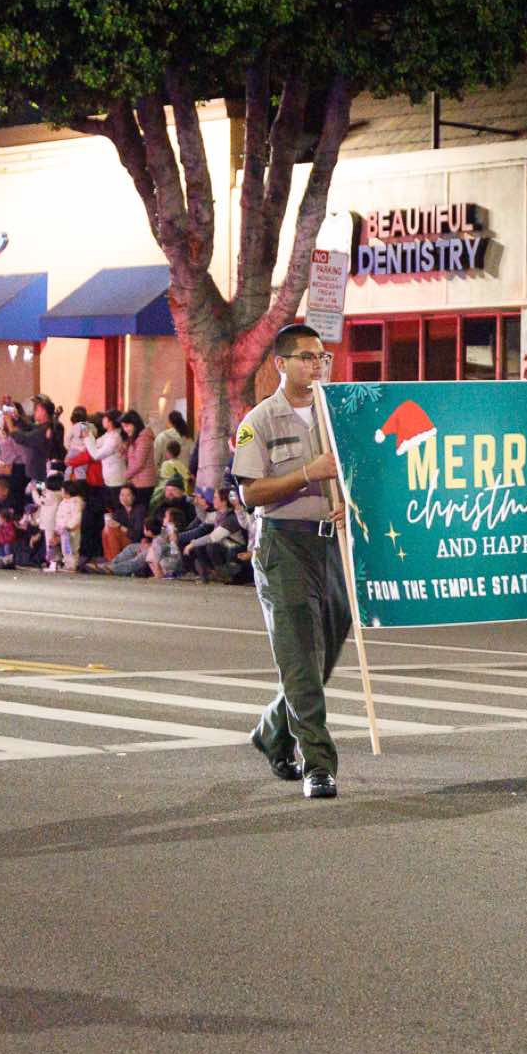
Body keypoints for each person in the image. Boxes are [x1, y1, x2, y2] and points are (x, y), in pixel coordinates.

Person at [231, 323, 355, 798]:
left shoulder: (336, 415)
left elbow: (358, 473)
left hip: (332, 545)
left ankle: (271, 728)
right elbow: (251, 493)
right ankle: (318, 765)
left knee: (322, 658)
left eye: (321, 357)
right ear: (281, 364)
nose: (316, 364)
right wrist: (307, 473)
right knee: (301, 658)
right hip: (284, 545)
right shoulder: (260, 420)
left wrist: (347, 502)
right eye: (306, 357)